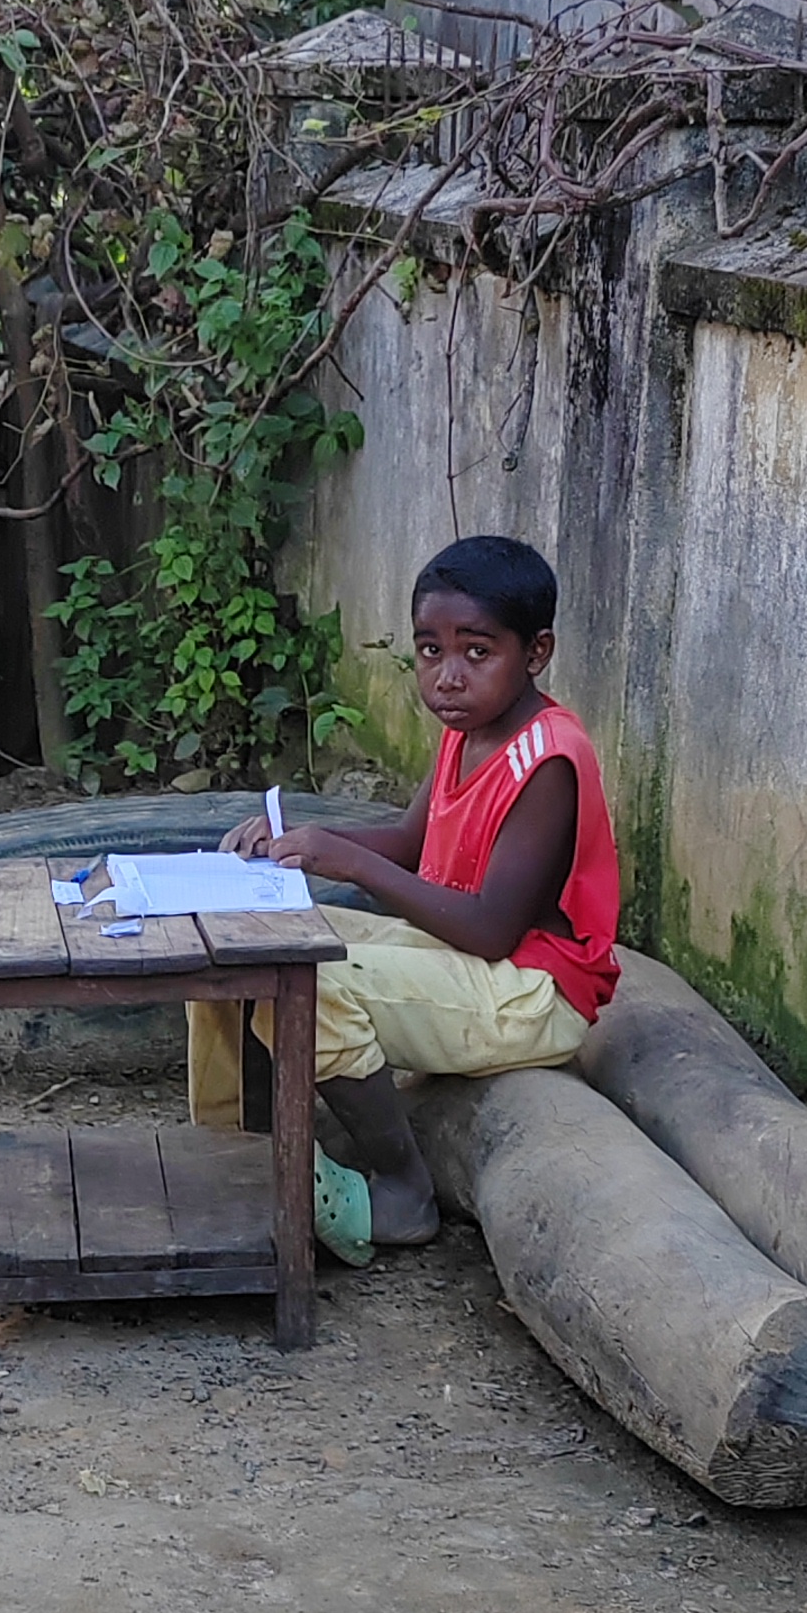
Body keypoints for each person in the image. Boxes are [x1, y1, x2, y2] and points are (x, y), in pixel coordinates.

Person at [189, 533, 621, 1260]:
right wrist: (303, 837)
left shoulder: (548, 760)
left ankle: (403, 1187)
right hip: (470, 958)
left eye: (476, 652)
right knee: (241, 934)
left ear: (536, 653)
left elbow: (488, 929)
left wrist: (347, 862)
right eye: (430, 651)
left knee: (307, 977)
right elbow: (416, 843)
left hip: (531, 992)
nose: (448, 677)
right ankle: (239, 1144)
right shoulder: (470, 730)